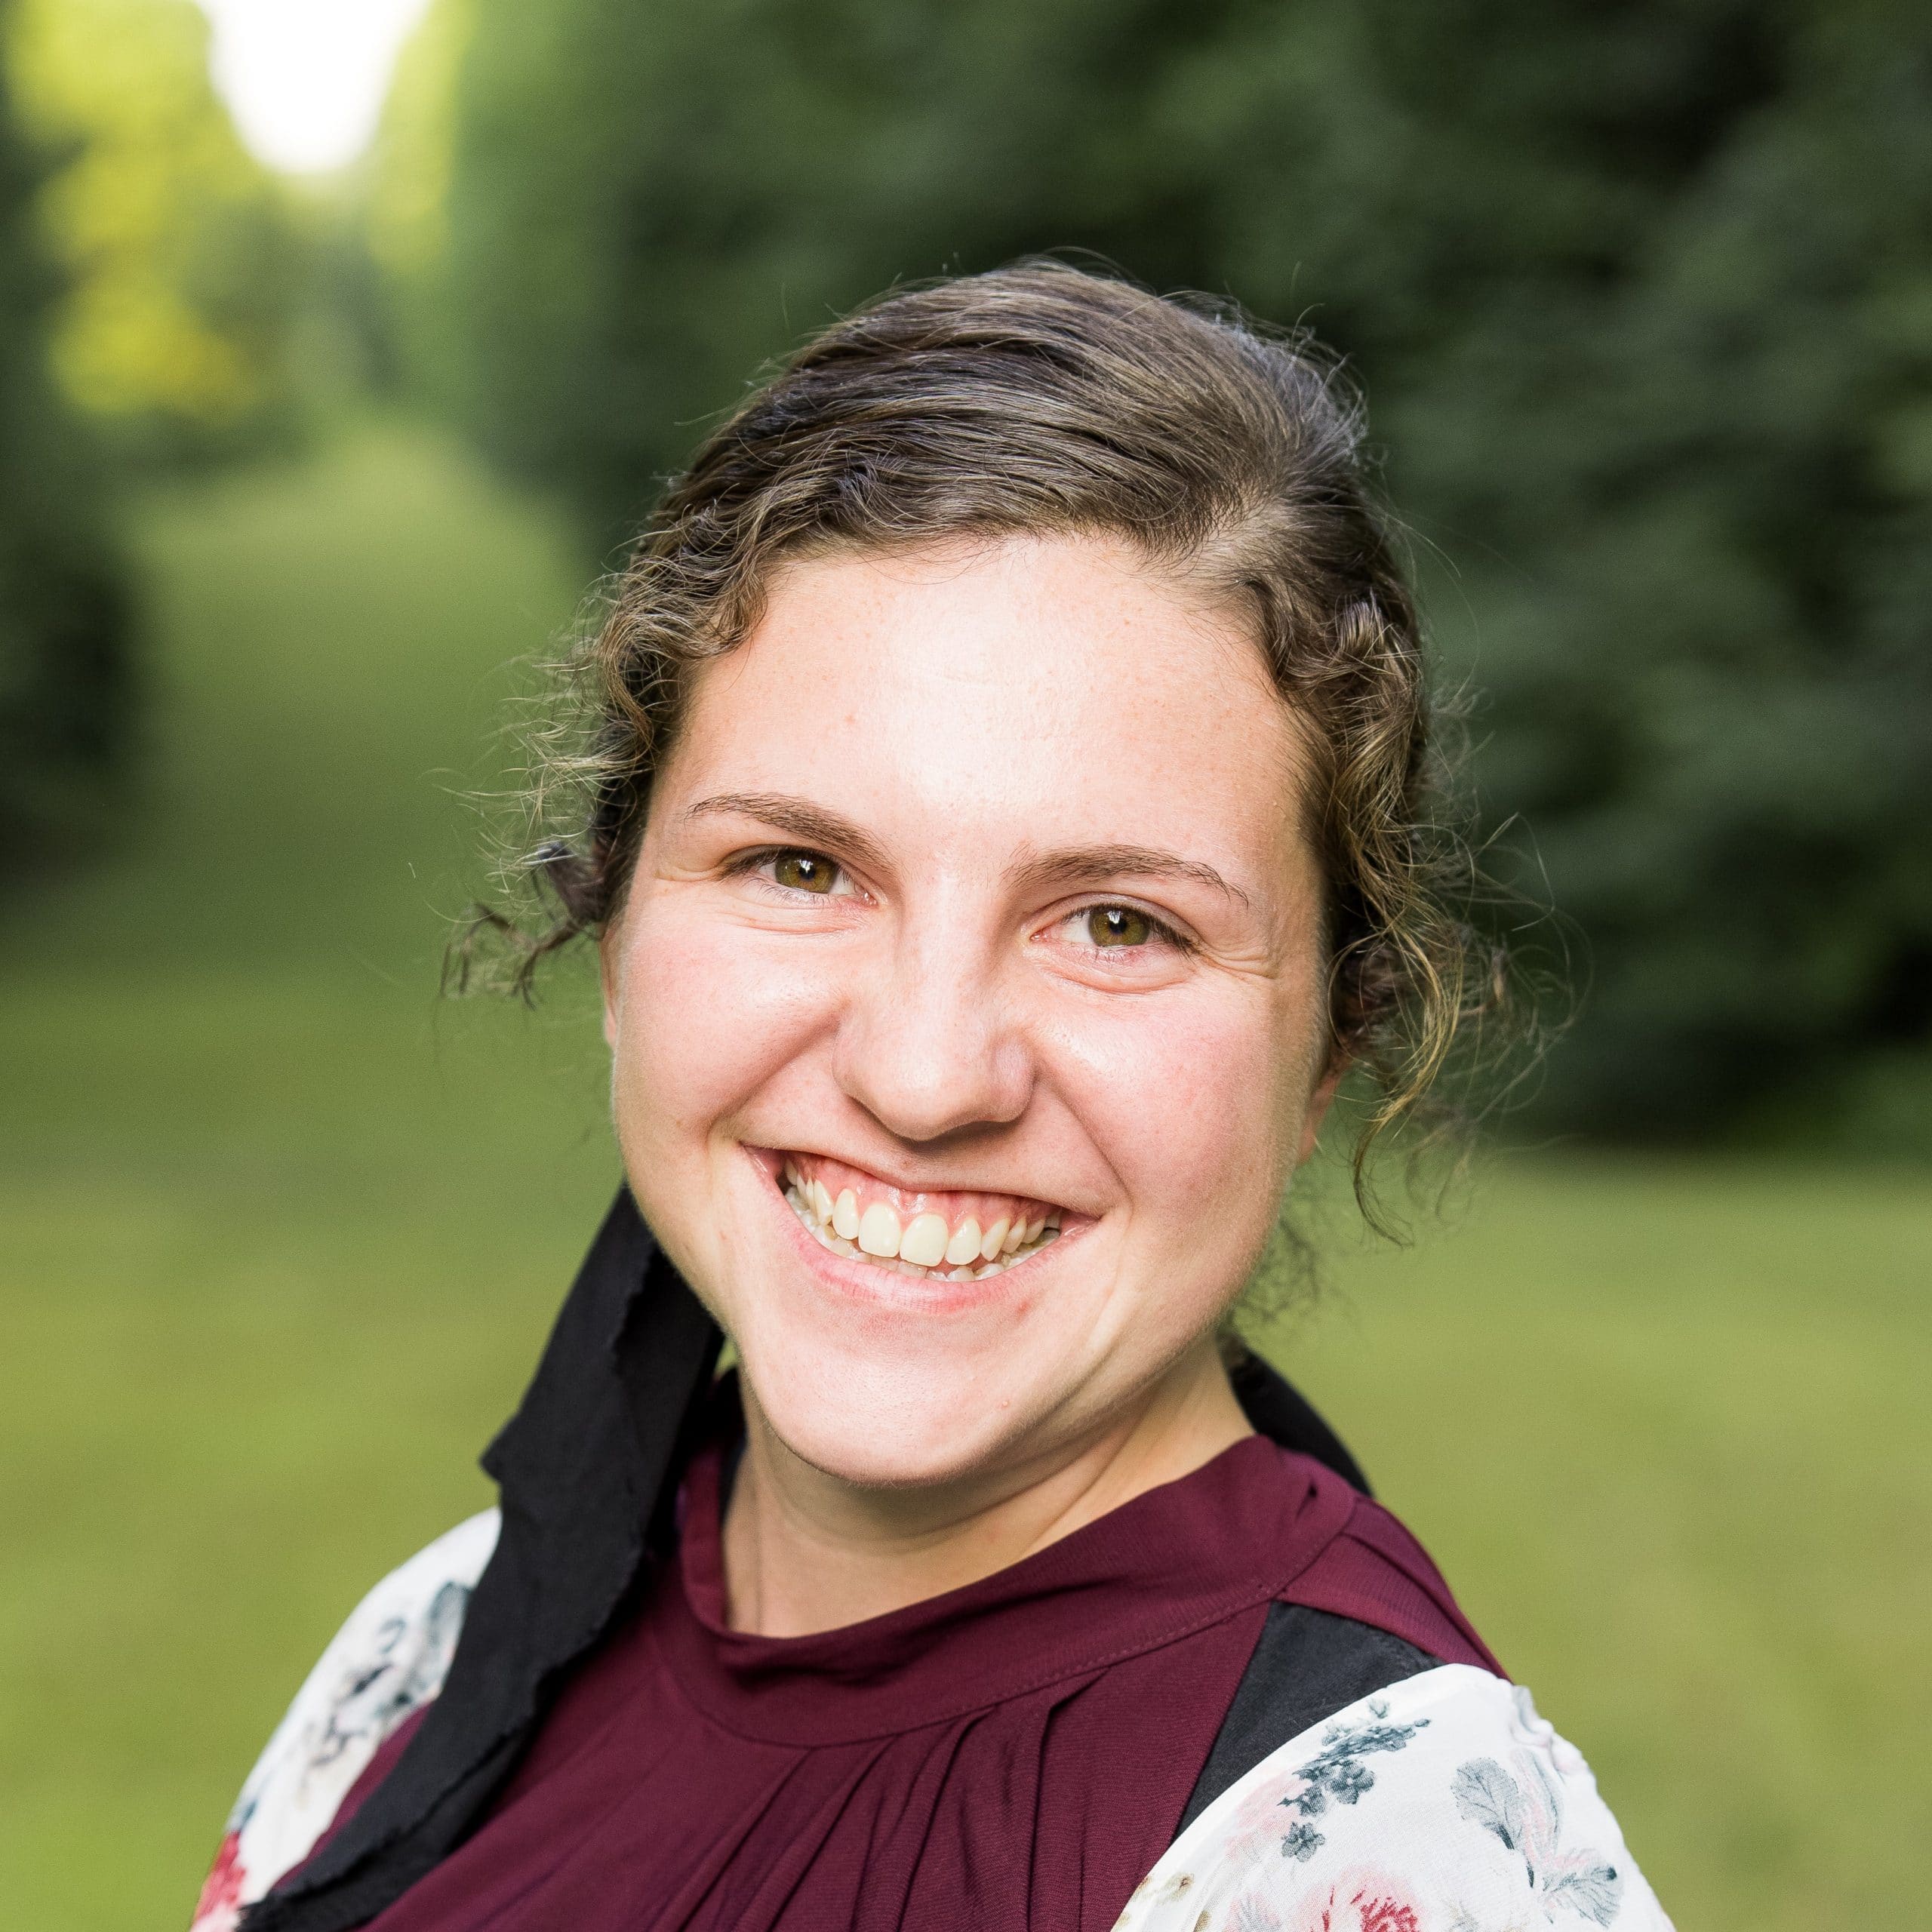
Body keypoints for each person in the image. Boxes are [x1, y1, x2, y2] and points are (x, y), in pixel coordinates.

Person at [191, 263, 1672, 1932]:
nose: (923, 1074)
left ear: (1332, 1041)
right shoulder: (427, 1650)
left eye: (1117, 923)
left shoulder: (1365, 1851)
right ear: (616, 930)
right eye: (800, 866)